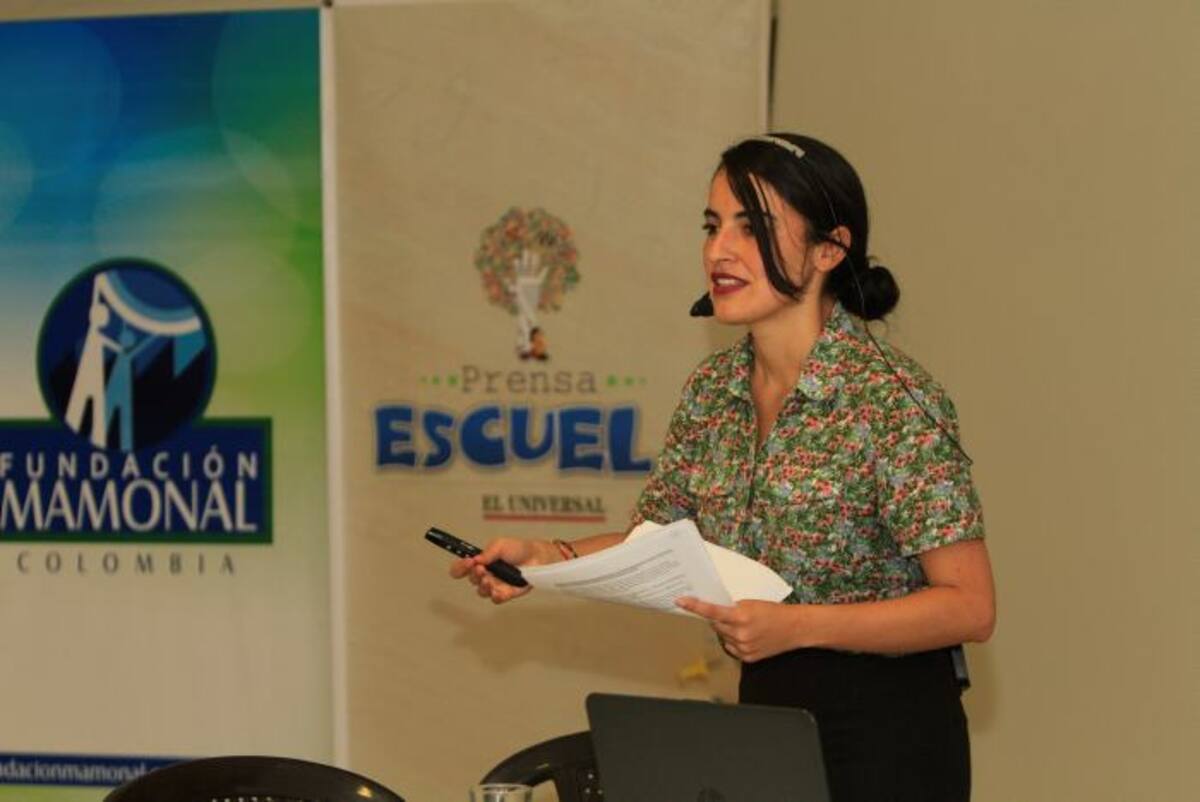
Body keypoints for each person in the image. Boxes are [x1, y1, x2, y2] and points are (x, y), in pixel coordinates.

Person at [449, 133, 995, 802]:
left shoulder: (890, 397)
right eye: (713, 225)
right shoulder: (713, 390)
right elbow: (658, 539)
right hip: (766, 714)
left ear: (830, 248)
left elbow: (969, 605)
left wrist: (800, 626)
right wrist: (546, 558)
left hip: (890, 734)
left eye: (752, 225)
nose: (718, 250)